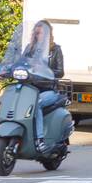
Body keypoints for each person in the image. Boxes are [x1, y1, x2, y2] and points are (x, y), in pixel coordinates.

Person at [23, 20, 64, 153]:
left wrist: (45, 72)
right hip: (30, 89)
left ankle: (39, 140)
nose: (37, 35)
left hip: (49, 90)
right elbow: (20, 63)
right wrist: (6, 71)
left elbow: (60, 71)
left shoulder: (55, 49)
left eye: (40, 33)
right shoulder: (30, 48)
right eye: (36, 33)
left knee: (37, 103)